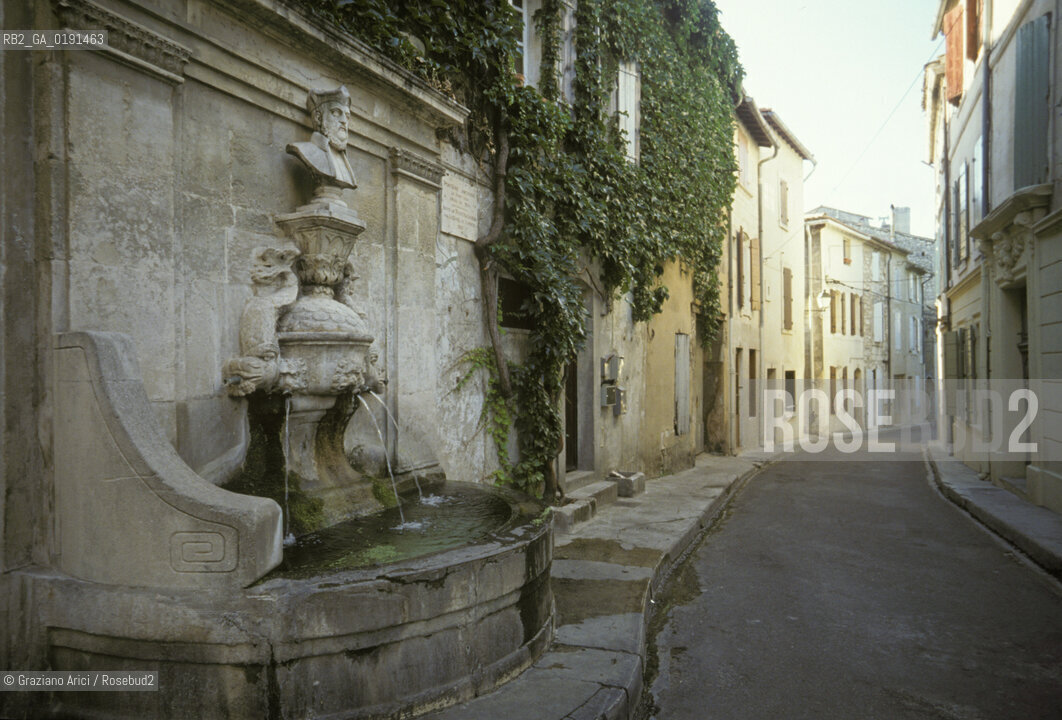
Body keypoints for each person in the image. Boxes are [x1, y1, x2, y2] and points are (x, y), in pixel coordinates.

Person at [286, 85, 357, 191]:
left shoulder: (343, 157)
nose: (344, 121)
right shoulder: (303, 150)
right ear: (318, 118)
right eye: (336, 113)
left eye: (347, 116)